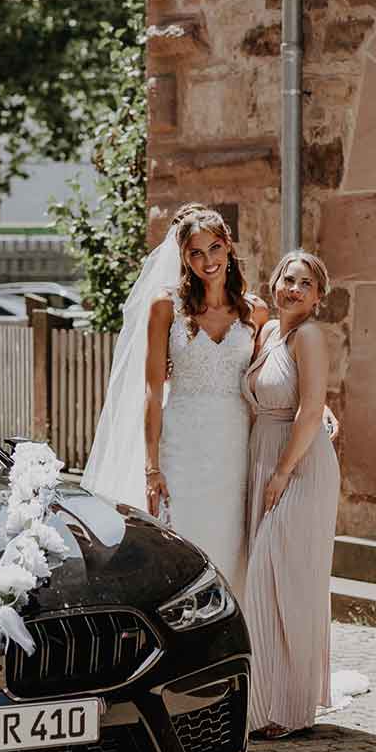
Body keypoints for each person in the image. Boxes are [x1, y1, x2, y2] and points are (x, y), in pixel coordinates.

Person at [81, 206, 264, 595]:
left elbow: (275, 374)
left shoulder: (256, 311)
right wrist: (151, 466)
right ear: (183, 258)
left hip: (235, 447)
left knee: (232, 543)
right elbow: (152, 388)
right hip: (182, 443)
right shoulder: (166, 306)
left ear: (228, 247)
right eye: (195, 253)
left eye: (214, 248)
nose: (208, 261)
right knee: (183, 540)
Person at [240, 249, 342, 738]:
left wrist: (282, 472)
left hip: (299, 466)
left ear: (318, 296)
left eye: (305, 284)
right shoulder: (267, 332)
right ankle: (264, 700)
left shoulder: (309, 337)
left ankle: (292, 706)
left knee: (282, 578)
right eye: (288, 279)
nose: (293, 289)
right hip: (265, 456)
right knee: (267, 580)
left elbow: (311, 408)